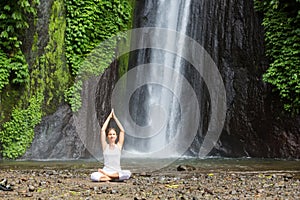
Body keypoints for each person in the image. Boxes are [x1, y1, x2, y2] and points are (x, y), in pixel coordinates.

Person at [90, 109, 131, 182]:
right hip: (106, 170)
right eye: (110, 134)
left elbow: (122, 131)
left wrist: (115, 118)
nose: (112, 136)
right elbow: (102, 130)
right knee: (93, 176)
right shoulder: (105, 146)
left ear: (116, 136)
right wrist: (109, 117)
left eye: (113, 134)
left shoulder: (119, 146)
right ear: (107, 136)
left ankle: (108, 177)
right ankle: (113, 178)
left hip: (116, 171)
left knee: (128, 173)